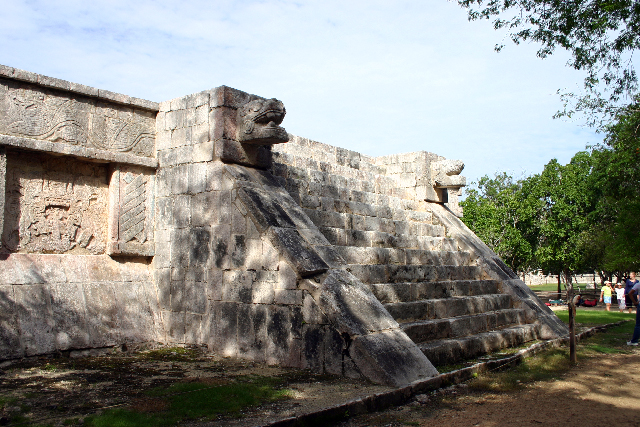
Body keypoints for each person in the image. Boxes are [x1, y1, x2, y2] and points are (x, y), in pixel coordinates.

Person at [627, 279, 640, 345]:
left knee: (638, 324)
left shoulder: (638, 284)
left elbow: (630, 293)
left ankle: (634, 341)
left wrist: (635, 302)